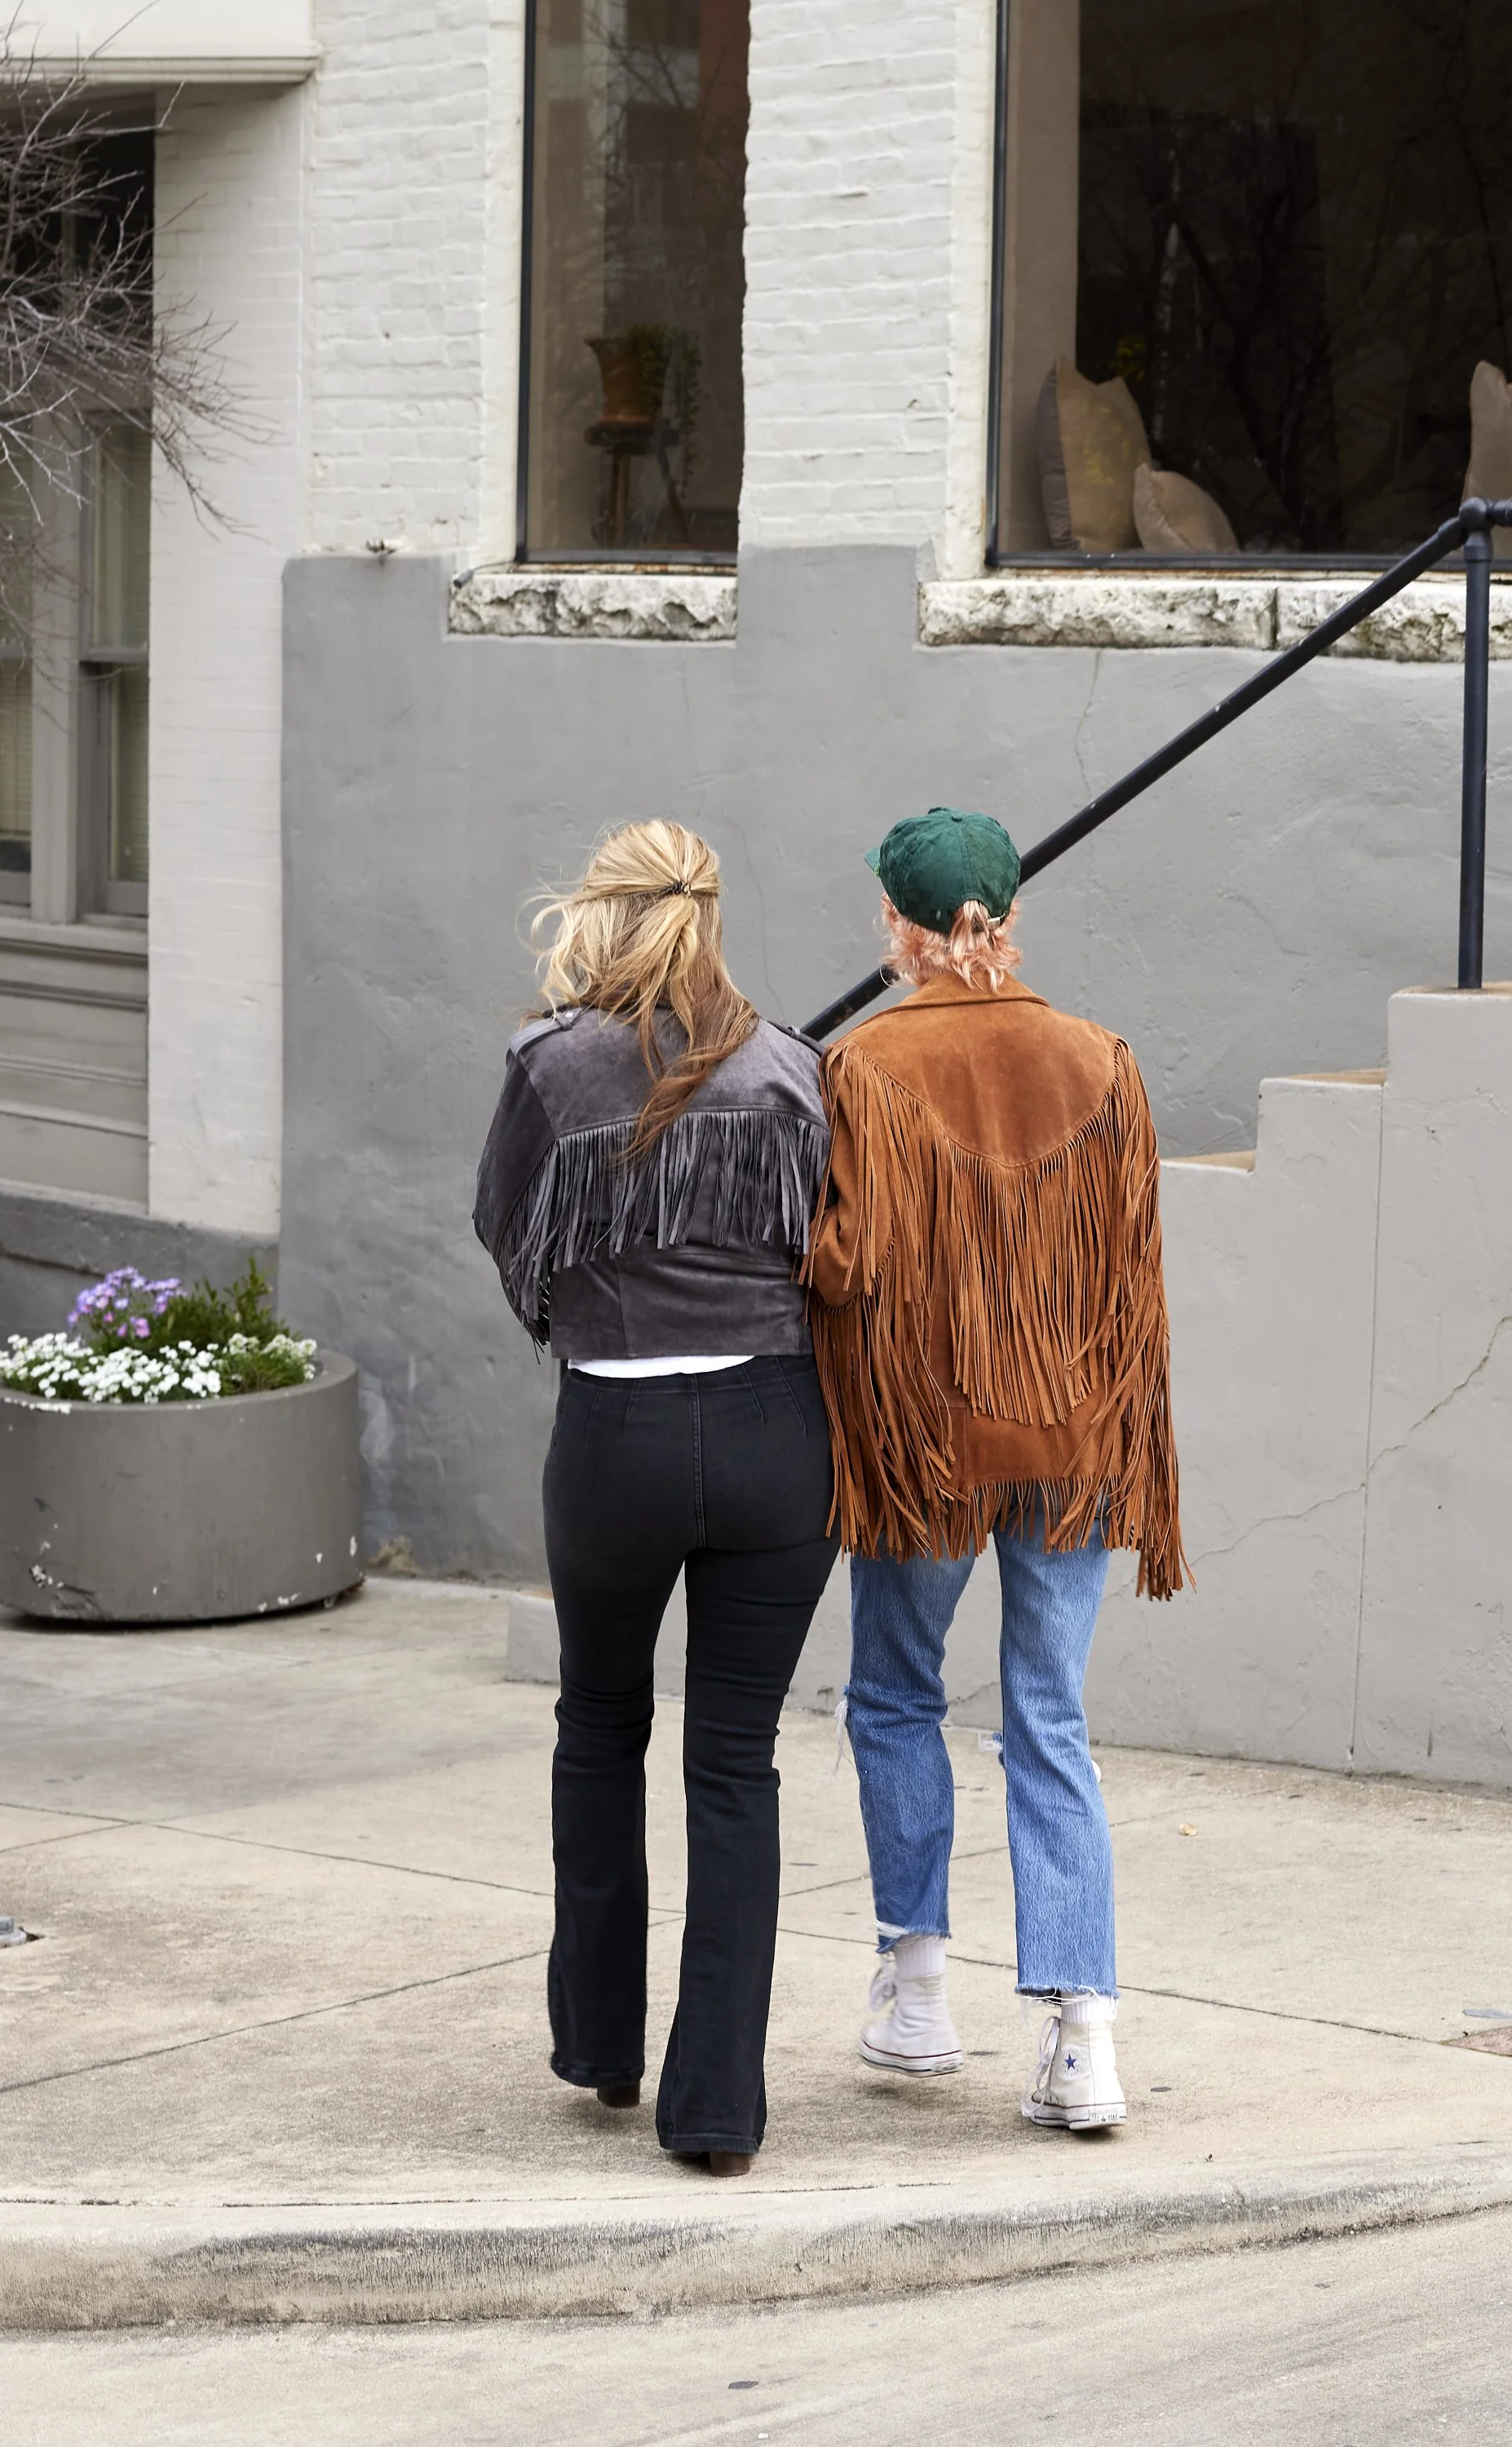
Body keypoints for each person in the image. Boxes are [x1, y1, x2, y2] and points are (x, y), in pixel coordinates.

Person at [805, 807, 1185, 2134]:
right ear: (1011, 921)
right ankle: (1086, 2039)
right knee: (1051, 1717)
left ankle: (918, 1996)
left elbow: (848, 1270)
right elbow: (1131, 1274)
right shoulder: (1104, 1060)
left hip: (928, 1448)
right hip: (1072, 1441)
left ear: (900, 934)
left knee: (898, 1695)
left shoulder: (861, 1069)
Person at [473, 820, 834, 2177]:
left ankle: (603, 2050)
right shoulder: (793, 1066)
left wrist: (592, 1300)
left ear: (602, 916)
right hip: (774, 1435)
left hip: (616, 1425)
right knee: (735, 1760)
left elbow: (510, 1234)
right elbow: (826, 1243)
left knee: (598, 1725)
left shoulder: (549, 1067)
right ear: (709, 916)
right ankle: (717, 2113)